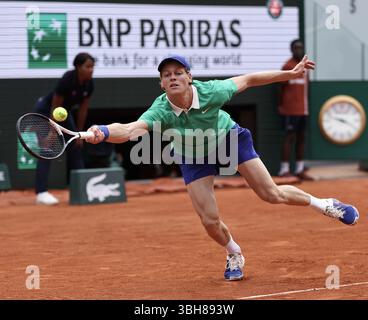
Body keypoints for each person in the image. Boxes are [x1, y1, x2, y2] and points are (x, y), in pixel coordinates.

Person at [85, 54, 359, 281]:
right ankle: (234, 253)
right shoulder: (160, 111)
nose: (173, 77)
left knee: (270, 194)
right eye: (166, 75)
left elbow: (249, 79)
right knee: (209, 220)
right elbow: (132, 129)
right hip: (192, 153)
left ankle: (324, 204)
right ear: (161, 84)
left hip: (228, 138)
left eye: (178, 72)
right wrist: (103, 131)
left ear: (189, 77)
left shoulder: (212, 91)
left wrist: (290, 73)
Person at [34, 52, 95, 205]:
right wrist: (51, 132)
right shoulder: (67, 79)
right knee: (47, 149)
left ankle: (83, 188)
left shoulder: (89, 84)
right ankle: (41, 193)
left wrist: (80, 133)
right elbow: (55, 105)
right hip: (47, 110)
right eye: (88, 66)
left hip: (63, 114)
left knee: (76, 146)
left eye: (92, 67)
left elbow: (82, 110)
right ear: (78, 67)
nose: (91, 70)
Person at [278, 40, 312, 179]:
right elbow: (279, 87)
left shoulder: (304, 67)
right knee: (289, 138)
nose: (299, 50)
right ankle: (283, 170)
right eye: (296, 48)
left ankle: (299, 169)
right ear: (291, 50)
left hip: (303, 110)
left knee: (301, 138)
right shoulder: (287, 66)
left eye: (301, 48)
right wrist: (281, 106)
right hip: (290, 111)